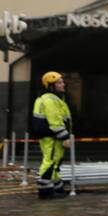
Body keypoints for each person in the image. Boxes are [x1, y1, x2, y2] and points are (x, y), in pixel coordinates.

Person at [32, 72, 72, 200]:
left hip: (52, 136)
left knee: (55, 162)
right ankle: (45, 191)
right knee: (50, 161)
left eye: (62, 82)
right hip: (52, 137)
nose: (63, 84)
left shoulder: (54, 98)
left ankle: (56, 188)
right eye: (59, 82)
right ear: (51, 85)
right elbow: (55, 120)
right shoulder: (50, 100)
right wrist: (64, 137)